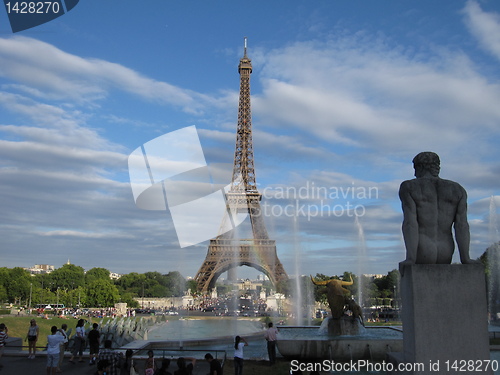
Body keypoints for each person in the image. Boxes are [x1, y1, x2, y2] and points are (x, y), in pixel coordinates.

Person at [399, 152, 479, 272]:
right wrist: (465, 258)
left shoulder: (409, 187)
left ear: (419, 167)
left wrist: (411, 258)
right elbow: (462, 225)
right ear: (437, 167)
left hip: (422, 250)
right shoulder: (458, 189)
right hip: (446, 251)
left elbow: (410, 223)